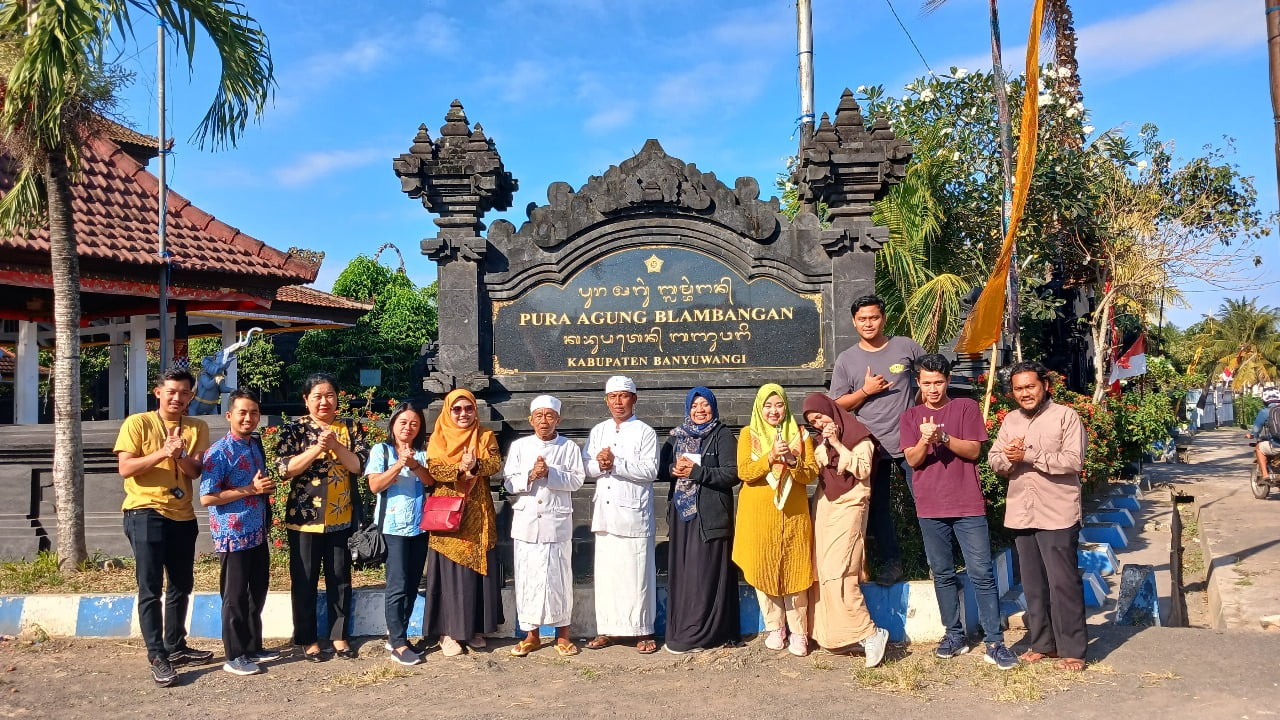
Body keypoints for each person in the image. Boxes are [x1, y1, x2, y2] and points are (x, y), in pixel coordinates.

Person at [899, 355, 1017, 670]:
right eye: (926, 383)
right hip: (930, 506)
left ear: (948, 380)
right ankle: (953, 633)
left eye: (938, 382)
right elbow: (912, 460)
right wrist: (925, 439)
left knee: (981, 572)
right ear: (918, 383)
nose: (933, 389)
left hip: (967, 504)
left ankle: (994, 642)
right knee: (943, 572)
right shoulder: (911, 416)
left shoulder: (965, 408)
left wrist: (944, 437)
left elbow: (975, 451)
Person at [114, 367, 214, 687]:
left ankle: (175, 645)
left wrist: (180, 453)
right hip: (144, 511)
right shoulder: (138, 423)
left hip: (182, 514)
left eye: (185, 393)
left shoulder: (197, 426)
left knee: (182, 584)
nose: (177, 398)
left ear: (191, 396)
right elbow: (126, 467)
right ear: (158, 392)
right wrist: (162, 452)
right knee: (151, 586)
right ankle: (157, 655)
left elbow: (195, 470)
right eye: (171, 391)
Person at [989, 361, 1088, 672]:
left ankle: (1073, 650)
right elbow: (994, 460)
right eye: (1018, 389)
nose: (1025, 393)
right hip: (1021, 512)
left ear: (1045, 385)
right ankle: (1043, 645)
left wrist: (1029, 456)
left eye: (1030, 386)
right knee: (1033, 585)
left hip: (1057, 513)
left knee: (1063, 584)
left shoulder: (1065, 416)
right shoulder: (1011, 422)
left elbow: (1073, 461)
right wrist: (1007, 457)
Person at [827, 295, 924, 585]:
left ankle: (934, 561)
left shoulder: (905, 347)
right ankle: (892, 564)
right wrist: (866, 391)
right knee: (878, 509)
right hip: (871, 447)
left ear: (883, 318)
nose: (868, 323)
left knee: (925, 502)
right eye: (862, 319)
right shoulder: (847, 359)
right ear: (854, 322)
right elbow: (837, 404)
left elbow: (930, 376)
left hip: (910, 442)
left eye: (874, 317)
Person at [274, 373, 370, 662]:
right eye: (317, 396)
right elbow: (285, 469)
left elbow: (358, 466)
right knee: (304, 579)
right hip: (304, 517)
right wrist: (318, 447)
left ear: (337, 397)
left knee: (340, 578)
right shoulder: (295, 429)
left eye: (329, 395)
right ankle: (307, 638)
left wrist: (337, 446)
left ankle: (339, 636)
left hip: (341, 514)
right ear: (306, 400)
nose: (324, 401)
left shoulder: (351, 428)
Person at [801, 393, 889, 667]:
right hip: (826, 506)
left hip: (851, 504)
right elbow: (814, 467)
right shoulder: (818, 443)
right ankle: (835, 636)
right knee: (823, 570)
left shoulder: (859, 436)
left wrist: (838, 443)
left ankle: (870, 633)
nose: (819, 422)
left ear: (833, 411)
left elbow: (862, 469)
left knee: (842, 569)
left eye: (821, 416)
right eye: (813, 420)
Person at [732, 384, 819, 657]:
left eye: (778, 405)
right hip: (758, 514)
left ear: (786, 407)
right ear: (760, 408)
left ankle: (799, 632)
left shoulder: (801, 435)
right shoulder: (749, 434)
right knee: (764, 569)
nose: (773, 411)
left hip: (792, 515)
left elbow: (811, 475)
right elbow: (745, 472)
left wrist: (792, 459)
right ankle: (774, 627)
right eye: (768, 406)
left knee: (796, 571)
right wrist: (769, 457)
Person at [199, 387, 278, 676]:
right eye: (242, 412)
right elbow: (207, 496)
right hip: (232, 533)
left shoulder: (254, 444)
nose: (249, 418)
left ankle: (253, 645)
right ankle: (234, 655)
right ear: (230, 415)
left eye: (254, 412)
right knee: (234, 596)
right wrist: (250, 490)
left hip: (256, 530)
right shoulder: (219, 452)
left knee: (256, 592)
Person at [658, 387, 741, 654]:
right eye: (695, 405)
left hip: (709, 517)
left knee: (705, 575)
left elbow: (731, 474)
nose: (700, 410)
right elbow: (661, 470)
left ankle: (706, 635)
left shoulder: (722, 435)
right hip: (683, 517)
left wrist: (697, 471)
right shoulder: (675, 437)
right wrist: (674, 469)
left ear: (714, 408)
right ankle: (683, 631)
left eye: (705, 405)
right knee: (685, 576)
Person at [423, 389, 505, 656]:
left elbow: (495, 464)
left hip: (478, 513)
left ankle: (474, 629)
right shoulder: (438, 437)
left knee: (477, 573)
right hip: (448, 514)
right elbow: (434, 470)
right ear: (448, 411)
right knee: (449, 574)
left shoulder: (485, 436)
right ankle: (447, 633)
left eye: (468, 408)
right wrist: (460, 467)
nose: (463, 414)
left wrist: (476, 463)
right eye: (456, 409)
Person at [583, 376, 660, 655]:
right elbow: (584, 468)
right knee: (607, 575)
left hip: (634, 515)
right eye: (613, 397)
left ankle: (643, 631)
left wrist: (618, 463)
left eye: (623, 396)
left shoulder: (645, 432)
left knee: (637, 574)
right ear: (606, 400)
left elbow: (651, 471)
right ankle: (607, 629)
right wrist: (600, 464)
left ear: (634, 399)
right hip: (605, 513)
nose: (618, 402)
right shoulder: (598, 431)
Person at [504, 395, 586, 658]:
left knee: (559, 578)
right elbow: (508, 482)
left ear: (558, 419)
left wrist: (550, 473)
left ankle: (563, 634)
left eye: (549, 416)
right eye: (539, 416)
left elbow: (577, 481)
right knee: (527, 579)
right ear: (531, 420)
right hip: (527, 523)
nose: (544, 420)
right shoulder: (519, 446)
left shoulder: (569, 447)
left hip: (556, 522)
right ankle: (532, 635)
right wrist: (530, 475)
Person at [364, 402, 434, 666]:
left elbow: (430, 482)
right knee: (396, 585)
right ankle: (399, 643)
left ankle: (397, 634)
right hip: (392, 527)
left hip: (420, 525)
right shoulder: (381, 450)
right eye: (403, 422)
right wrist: (398, 465)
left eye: (414, 423)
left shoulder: (423, 453)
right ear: (393, 425)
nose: (408, 427)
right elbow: (374, 485)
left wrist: (414, 464)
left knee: (412, 583)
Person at [1246, 387, 1280, 480]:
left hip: (1277, 445)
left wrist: (1252, 435)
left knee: (1259, 448)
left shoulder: (1265, 412)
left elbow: (1257, 428)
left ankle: (1265, 475)